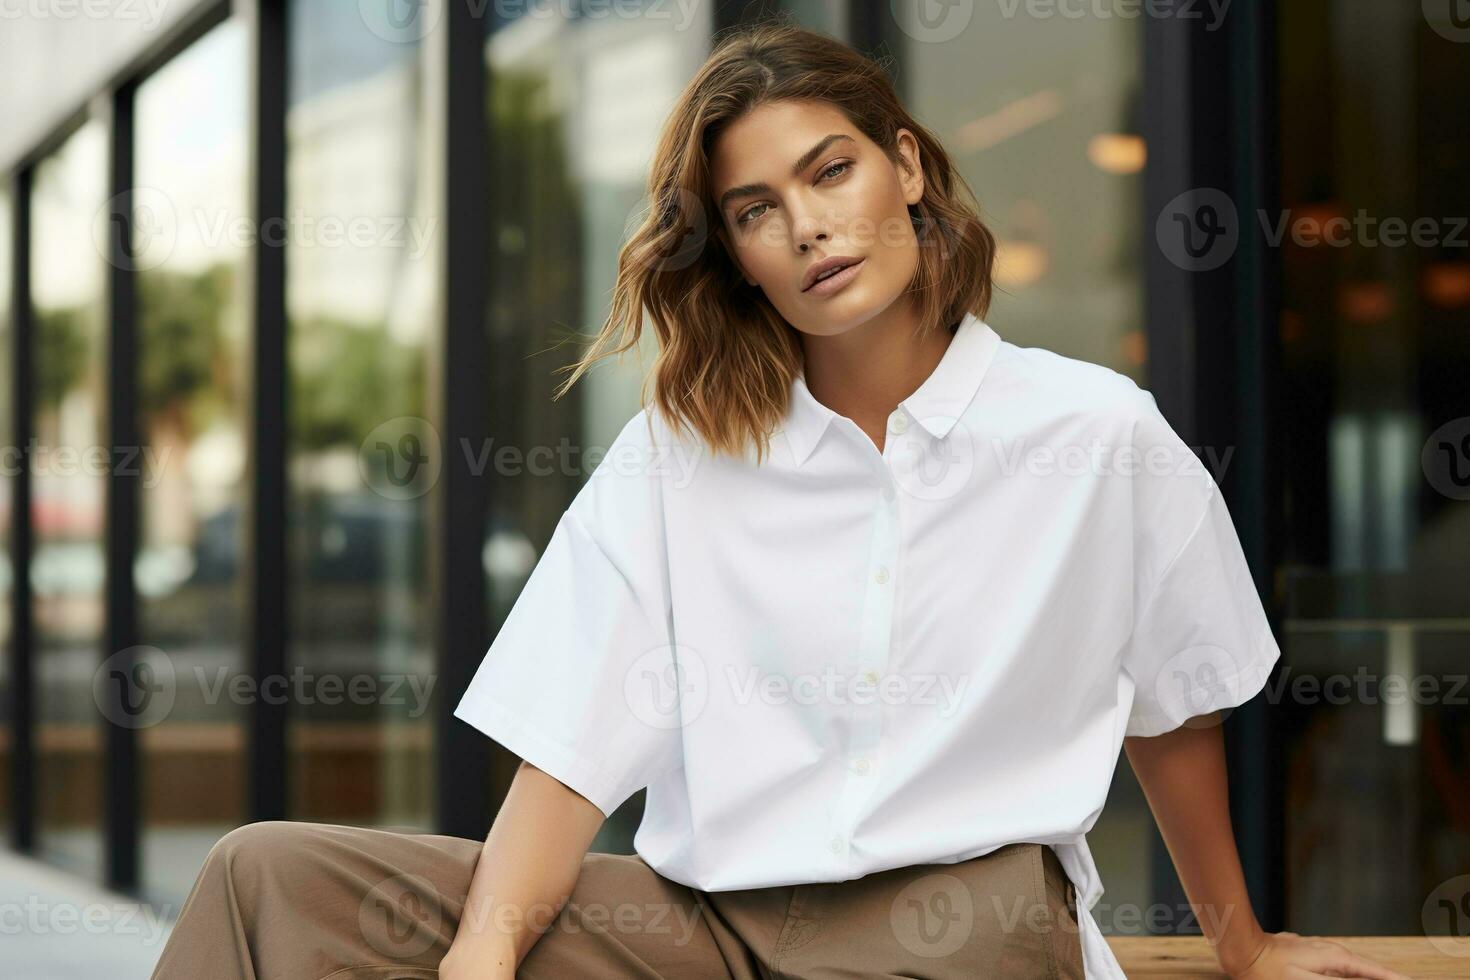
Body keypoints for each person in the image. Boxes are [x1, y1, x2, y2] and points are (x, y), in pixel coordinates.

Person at [149, 19, 1408, 980]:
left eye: (831, 172)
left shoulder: (1092, 430)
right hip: (711, 931)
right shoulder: (682, 452)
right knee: (266, 874)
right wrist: (482, 962)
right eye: (758, 209)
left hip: (960, 933)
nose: (808, 226)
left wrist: (1241, 945)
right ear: (736, 252)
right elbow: (569, 760)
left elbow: (1175, 708)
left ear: (905, 166)